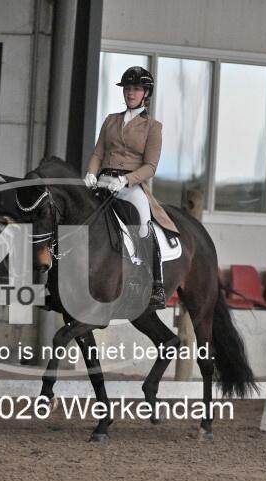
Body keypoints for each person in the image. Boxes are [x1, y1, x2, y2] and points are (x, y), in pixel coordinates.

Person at [83, 66, 179, 310]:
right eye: (127, 88)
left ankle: (155, 284)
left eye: (136, 89)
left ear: (146, 93)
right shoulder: (111, 120)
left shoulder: (153, 127)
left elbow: (151, 166)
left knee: (144, 224)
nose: (130, 93)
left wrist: (126, 180)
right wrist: (91, 173)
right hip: (104, 181)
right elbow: (98, 153)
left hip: (131, 186)